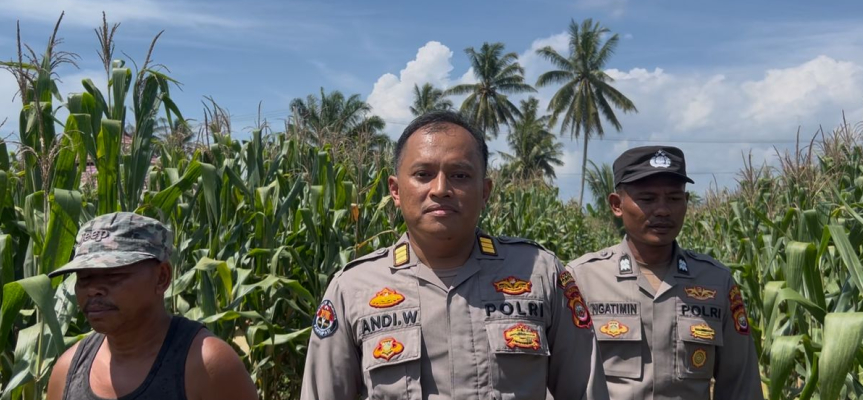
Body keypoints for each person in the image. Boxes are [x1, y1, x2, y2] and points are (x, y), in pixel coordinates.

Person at [300, 111, 609, 400]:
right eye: (423, 174)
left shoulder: (540, 273)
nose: (440, 189)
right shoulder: (353, 288)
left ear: (485, 190)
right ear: (395, 190)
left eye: (460, 176)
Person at [566, 146, 764, 400]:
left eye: (673, 198)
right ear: (617, 205)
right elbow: (559, 381)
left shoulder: (716, 282)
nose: (663, 210)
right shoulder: (583, 279)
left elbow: (741, 387)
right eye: (647, 199)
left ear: (686, 202)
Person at [46, 212, 259, 400]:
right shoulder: (68, 370)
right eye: (84, 278)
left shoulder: (205, 366)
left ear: (162, 278)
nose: (93, 290)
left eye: (112, 275)